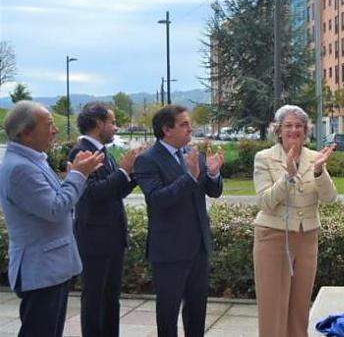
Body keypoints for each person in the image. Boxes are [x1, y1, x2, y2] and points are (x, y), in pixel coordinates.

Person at [0, 101, 102, 337]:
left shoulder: (33, 159)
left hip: (51, 266)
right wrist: (78, 175)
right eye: (48, 125)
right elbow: (55, 209)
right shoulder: (20, 168)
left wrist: (76, 176)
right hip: (41, 269)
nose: (54, 130)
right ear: (26, 133)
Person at [133, 105, 224, 337]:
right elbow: (157, 199)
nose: (190, 128)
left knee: (197, 311)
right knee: (168, 314)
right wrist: (190, 177)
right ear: (166, 129)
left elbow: (212, 191)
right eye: (184, 124)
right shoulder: (147, 160)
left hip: (198, 247)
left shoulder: (192, 154)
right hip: (169, 251)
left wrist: (212, 173)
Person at [253, 105, 337, 337]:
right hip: (273, 238)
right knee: (273, 307)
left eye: (299, 125)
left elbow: (330, 199)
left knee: (300, 306)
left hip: (307, 237)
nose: (294, 130)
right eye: (288, 125)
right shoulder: (264, 158)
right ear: (278, 130)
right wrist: (287, 177)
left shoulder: (314, 158)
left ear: (306, 130)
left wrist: (319, 171)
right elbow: (265, 202)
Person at [68, 102, 142, 337]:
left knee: (111, 299)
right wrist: (122, 172)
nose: (116, 127)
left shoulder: (104, 152)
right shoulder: (81, 152)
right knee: (94, 299)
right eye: (112, 122)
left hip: (112, 238)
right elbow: (92, 194)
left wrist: (133, 173)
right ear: (98, 123)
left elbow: (114, 192)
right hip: (94, 239)